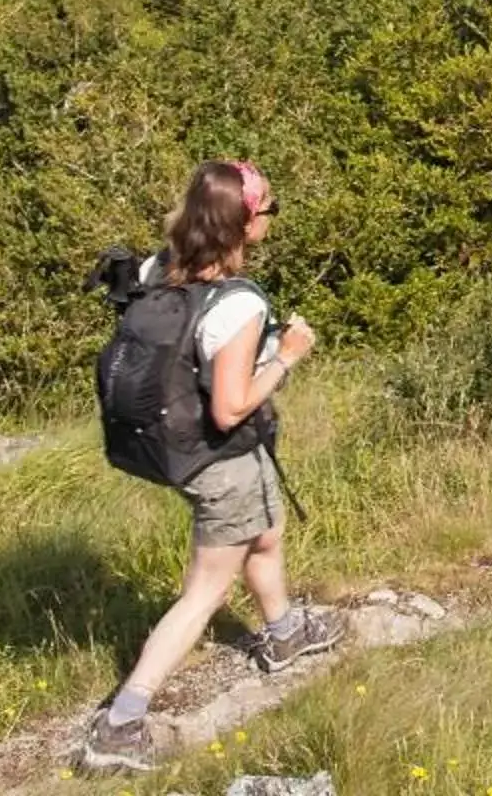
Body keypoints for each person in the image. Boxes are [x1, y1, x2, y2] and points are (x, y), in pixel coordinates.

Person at [80, 161, 341, 775]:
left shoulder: (159, 268)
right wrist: (287, 355)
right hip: (219, 458)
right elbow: (229, 407)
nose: (274, 216)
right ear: (245, 222)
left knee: (267, 530)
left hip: (178, 447)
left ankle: (282, 633)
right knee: (204, 591)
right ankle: (120, 723)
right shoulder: (237, 304)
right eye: (269, 207)